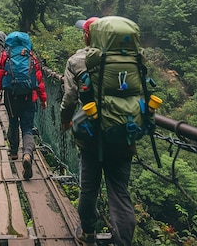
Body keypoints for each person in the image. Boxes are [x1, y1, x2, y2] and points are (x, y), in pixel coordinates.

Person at [60, 17, 136, 246]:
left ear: (86, 36)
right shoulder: (128, 58)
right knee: (120, 193)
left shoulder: (77, 60)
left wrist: (65, 120)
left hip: (91, 137)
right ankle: (123, 241)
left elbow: (70, 98)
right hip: (124, 135)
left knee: (89, 187)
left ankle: (88, 233)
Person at [0, 32, 47, 180]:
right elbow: (39, 80)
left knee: (13, 123)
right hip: (29, 96)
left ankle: (14, 152)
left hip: (11, 97)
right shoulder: (31, 56)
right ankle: (27, 153)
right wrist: (43, 99)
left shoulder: (5, 56)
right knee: (27, 128)